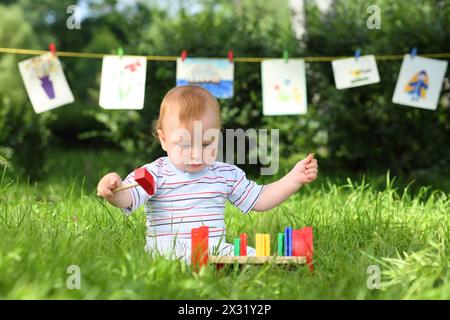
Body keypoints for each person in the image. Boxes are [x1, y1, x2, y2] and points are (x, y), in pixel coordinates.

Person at [97, 85, 318, 263]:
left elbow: (260, 199)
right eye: (184, 144)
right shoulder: (155, 173)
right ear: (163, 139)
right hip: (168, 251)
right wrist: (113, 192)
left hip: (213, 249)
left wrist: (293, 179)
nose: (195, 155)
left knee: (250, 256)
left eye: (205, 143)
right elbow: (129, 197)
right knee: (195, 258)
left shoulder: (225, 174)